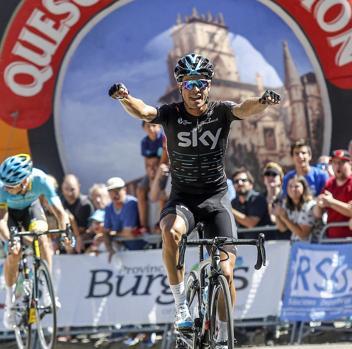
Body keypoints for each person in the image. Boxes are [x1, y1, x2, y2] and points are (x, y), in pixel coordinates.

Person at [108, 52, 280, 345]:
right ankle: (181, 307)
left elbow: (244, 108)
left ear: (209, 85)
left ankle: (225, 334)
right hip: (184, 199)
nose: (196, 89)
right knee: (170, 232)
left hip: (216, 199)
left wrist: (263, 101)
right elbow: (145, 112)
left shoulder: (221, 111)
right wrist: (125, 97)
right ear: (180, 87)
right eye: (189, 83)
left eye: (201, 82)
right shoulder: (171, 113)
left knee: (225, 273)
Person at [0, 154, 71, 329]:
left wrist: (66, 230)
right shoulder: (0, 186)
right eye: (5, 185)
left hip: (31, 209)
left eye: (10, 186)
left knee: (42, 237)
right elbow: (0, 220)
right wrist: (9, 239)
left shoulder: (40, 179)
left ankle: (47, 291)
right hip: (10, 215)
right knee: (14, 252)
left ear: (24, 182)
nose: (6, 188)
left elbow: (60, 212)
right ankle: (10, 301)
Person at [317, 149, 352, 239]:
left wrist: (331, 202)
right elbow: (317, 214)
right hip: (331, 239)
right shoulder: (329, 183)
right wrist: (318, 205)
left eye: (341, 163)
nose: (337, 166)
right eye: (334, 163)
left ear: (350, 164)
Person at [102, 177, 144, 257]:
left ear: (125, 190)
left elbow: (128, 233)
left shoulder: (131, 203)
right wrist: (109, 248)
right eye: (111, 191)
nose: (115, 193)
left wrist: (112, 234)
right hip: (124, 252)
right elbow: (106, 232)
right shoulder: (108, 208)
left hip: (141, 250)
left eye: (118, 189)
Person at [274, 175, 322, 241]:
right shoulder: (287, 205)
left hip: (313, 246)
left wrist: (285, 218)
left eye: (296, 186)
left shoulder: (310, 205)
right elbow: (283, 228)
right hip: (297, 246)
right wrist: (277, 215)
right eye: (290, 186)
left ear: (304, 188)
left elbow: (303, 234)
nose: (293, 189)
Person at [61, 174, 93, 253]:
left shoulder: (84, 204)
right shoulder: (62, 204)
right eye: (66, 189)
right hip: (70, 239)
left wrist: (72, 221)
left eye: (72, 189)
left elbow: (83, 230)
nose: (69, 193)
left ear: (78, 187)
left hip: (86, 242)